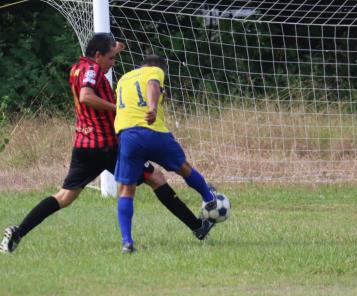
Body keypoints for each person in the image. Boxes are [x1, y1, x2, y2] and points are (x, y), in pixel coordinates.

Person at [0, 34, 211, 255]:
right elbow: (86, 96)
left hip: (84, 144)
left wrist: (116, 48)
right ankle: (197, 227)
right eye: (111, 58)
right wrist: (117, 108)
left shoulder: (78, 67)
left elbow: (94, 71)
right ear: (98, 56)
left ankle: (18, 231)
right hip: (107, 145)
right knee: (156, 179)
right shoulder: (92, 71)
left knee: (64, 196)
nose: (113, 63)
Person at [113, 54, 218, 252]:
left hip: (127, 136)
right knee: (183, 168)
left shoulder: (123, 79)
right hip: (153, 131)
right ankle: (209, 197)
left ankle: (127, 241)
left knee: (126, 189)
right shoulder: (155, 71)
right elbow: (153, 84)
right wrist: (153, 107)